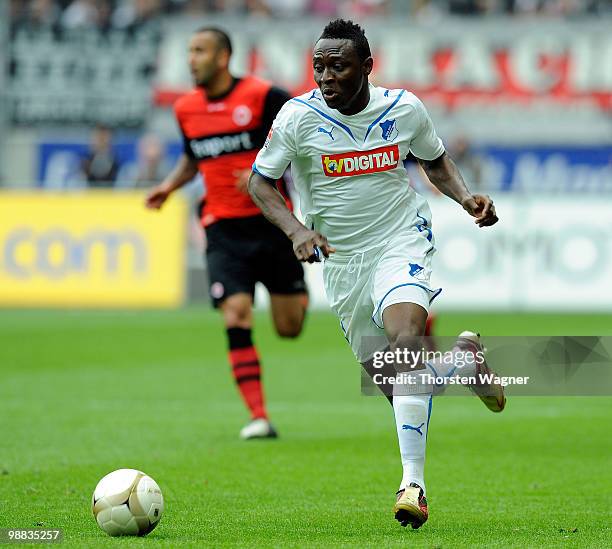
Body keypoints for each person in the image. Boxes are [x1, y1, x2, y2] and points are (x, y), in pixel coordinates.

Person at [248, 19, 506, 528]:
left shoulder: (403, 108)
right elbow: (260, 182)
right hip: (341, 260)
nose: (326, 76)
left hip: (399, 238)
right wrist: (298, 230)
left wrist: (465, 199)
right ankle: (461, 362)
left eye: (338, 65)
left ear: (367, 66)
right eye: (318, 65)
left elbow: (434, 161)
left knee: (405, 338)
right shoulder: (297, 117)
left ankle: (414, 485)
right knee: (398, 386)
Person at [145, 27, 308, 440]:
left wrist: (261, 173)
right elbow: (193, 156)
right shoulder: (185, 108)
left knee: (290, 327)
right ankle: (259, 416)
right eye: (189, 50)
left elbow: (303, 145)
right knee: (235, 314)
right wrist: (168, 185)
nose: (190, 58)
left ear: (222, 58)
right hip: (222, 230)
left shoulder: (265, 96)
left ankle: (294, 297)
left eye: (199, 50)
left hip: (273, 225)